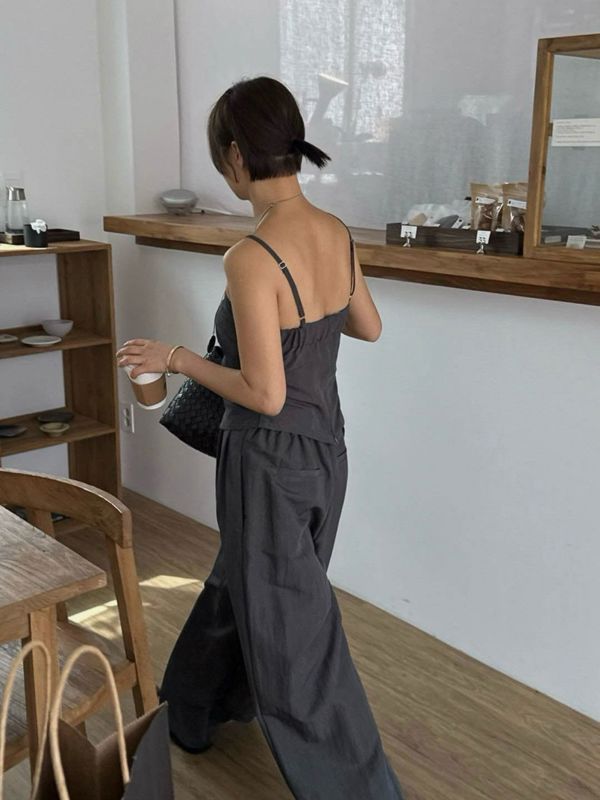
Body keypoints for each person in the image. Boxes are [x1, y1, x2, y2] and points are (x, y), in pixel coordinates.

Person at [115, 75, 404, 800]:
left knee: (294, 628)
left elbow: (265, 394)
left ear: (237, 157)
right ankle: (193, 708)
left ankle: (361, 788)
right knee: (247, 583)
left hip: (268, 459)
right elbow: (368, 326)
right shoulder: (334, 230)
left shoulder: (252, 255)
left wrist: (177, 358)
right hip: (326, 451)